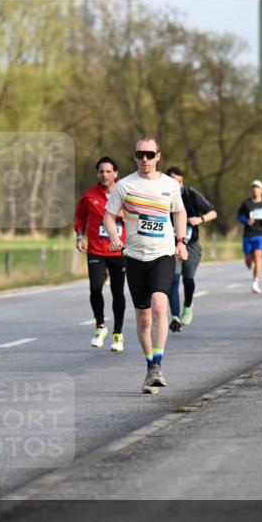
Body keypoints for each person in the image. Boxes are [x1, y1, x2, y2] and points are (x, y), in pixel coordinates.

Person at [101, 137, 188, 392]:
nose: (145, 159)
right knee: (143, 317)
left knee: (160, 305)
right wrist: (115, 237)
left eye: (150, 155)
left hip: (162, 254)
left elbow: (179, 212)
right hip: (135, 256)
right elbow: (108, 216)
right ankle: (150, 366)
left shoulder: (170, 185)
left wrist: (180, 241)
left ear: (158, 156)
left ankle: (158, 365)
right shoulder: (125, 185)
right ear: (135, 156)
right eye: (141, 155)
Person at [74, 156, 126, 351]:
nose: (105, 175)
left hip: (119, 250)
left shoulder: (126, 193)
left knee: (117, 293)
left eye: (108, 171)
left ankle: (118, 333)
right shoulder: (89, 196)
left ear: (115, 174)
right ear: (97, 173)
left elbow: (139, 215)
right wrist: (79, 237)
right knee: (95, 288)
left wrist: (124, 215)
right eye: (101, 171)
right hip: (96, 249)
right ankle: (100, 326)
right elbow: (79, 218)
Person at [164, 166, 215, 332]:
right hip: (170, 245)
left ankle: (187, 305)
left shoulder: (191, 194)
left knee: (188, 279)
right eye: (173, 181)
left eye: (179, 182)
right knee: (173, 279)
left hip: (191, 244)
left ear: (182, 182)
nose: (176, 185)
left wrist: (199, 219)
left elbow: (213, 212)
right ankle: (175, 317)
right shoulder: (162, 195)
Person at [237, 180, 262, 294]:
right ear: (251, 190)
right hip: (248, 235)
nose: (255, 189)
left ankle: (255, 282)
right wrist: (246, 220)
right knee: (248, 260)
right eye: (253, 187)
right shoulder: (246, 204)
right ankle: (250, 263)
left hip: (260, 234)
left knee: (257, 257)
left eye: (258, 187)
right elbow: (239, 216)